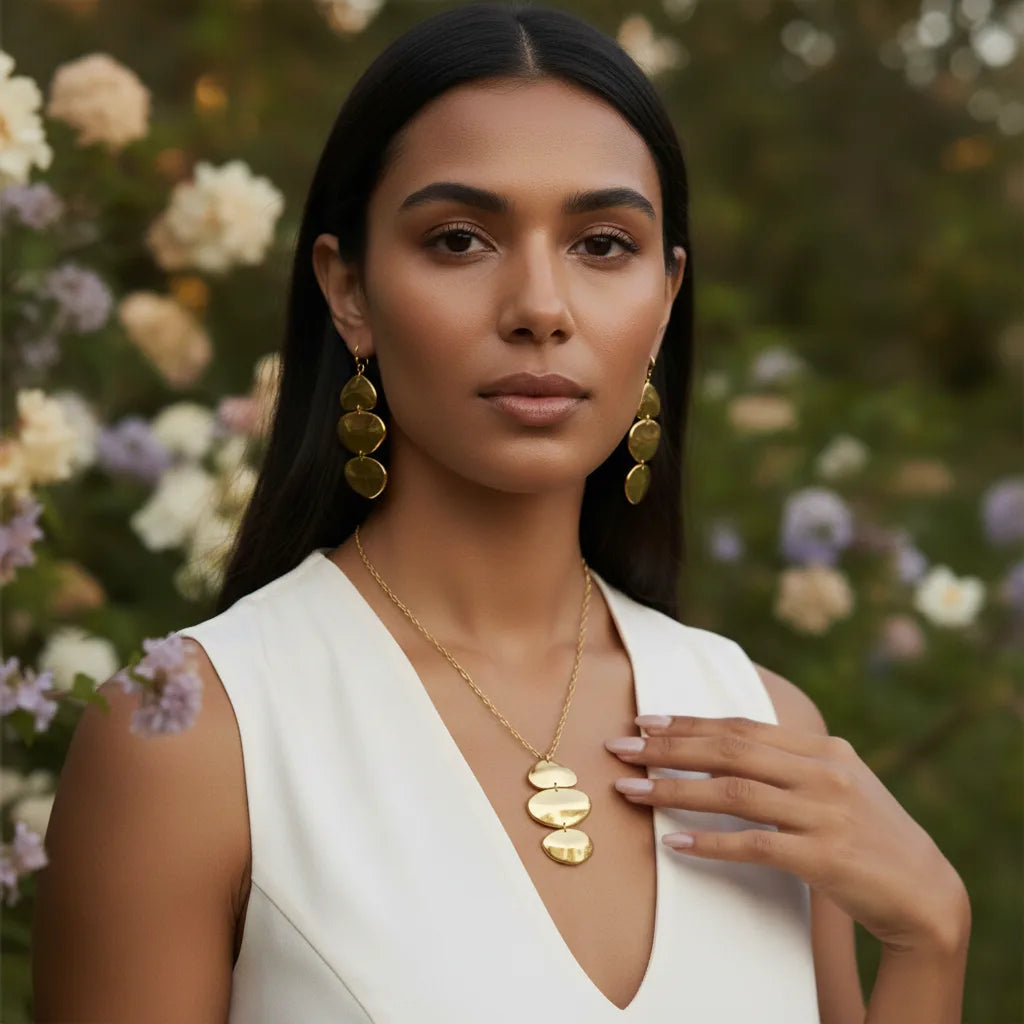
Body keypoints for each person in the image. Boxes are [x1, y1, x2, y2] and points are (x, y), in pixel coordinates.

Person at [32, 4, 970, 1021]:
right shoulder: (194, 736)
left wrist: (927, 944)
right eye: (460, 238)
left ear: (663, 299)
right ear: (348, 289)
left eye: (603, 244)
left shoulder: (764, 731)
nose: (538, 305)